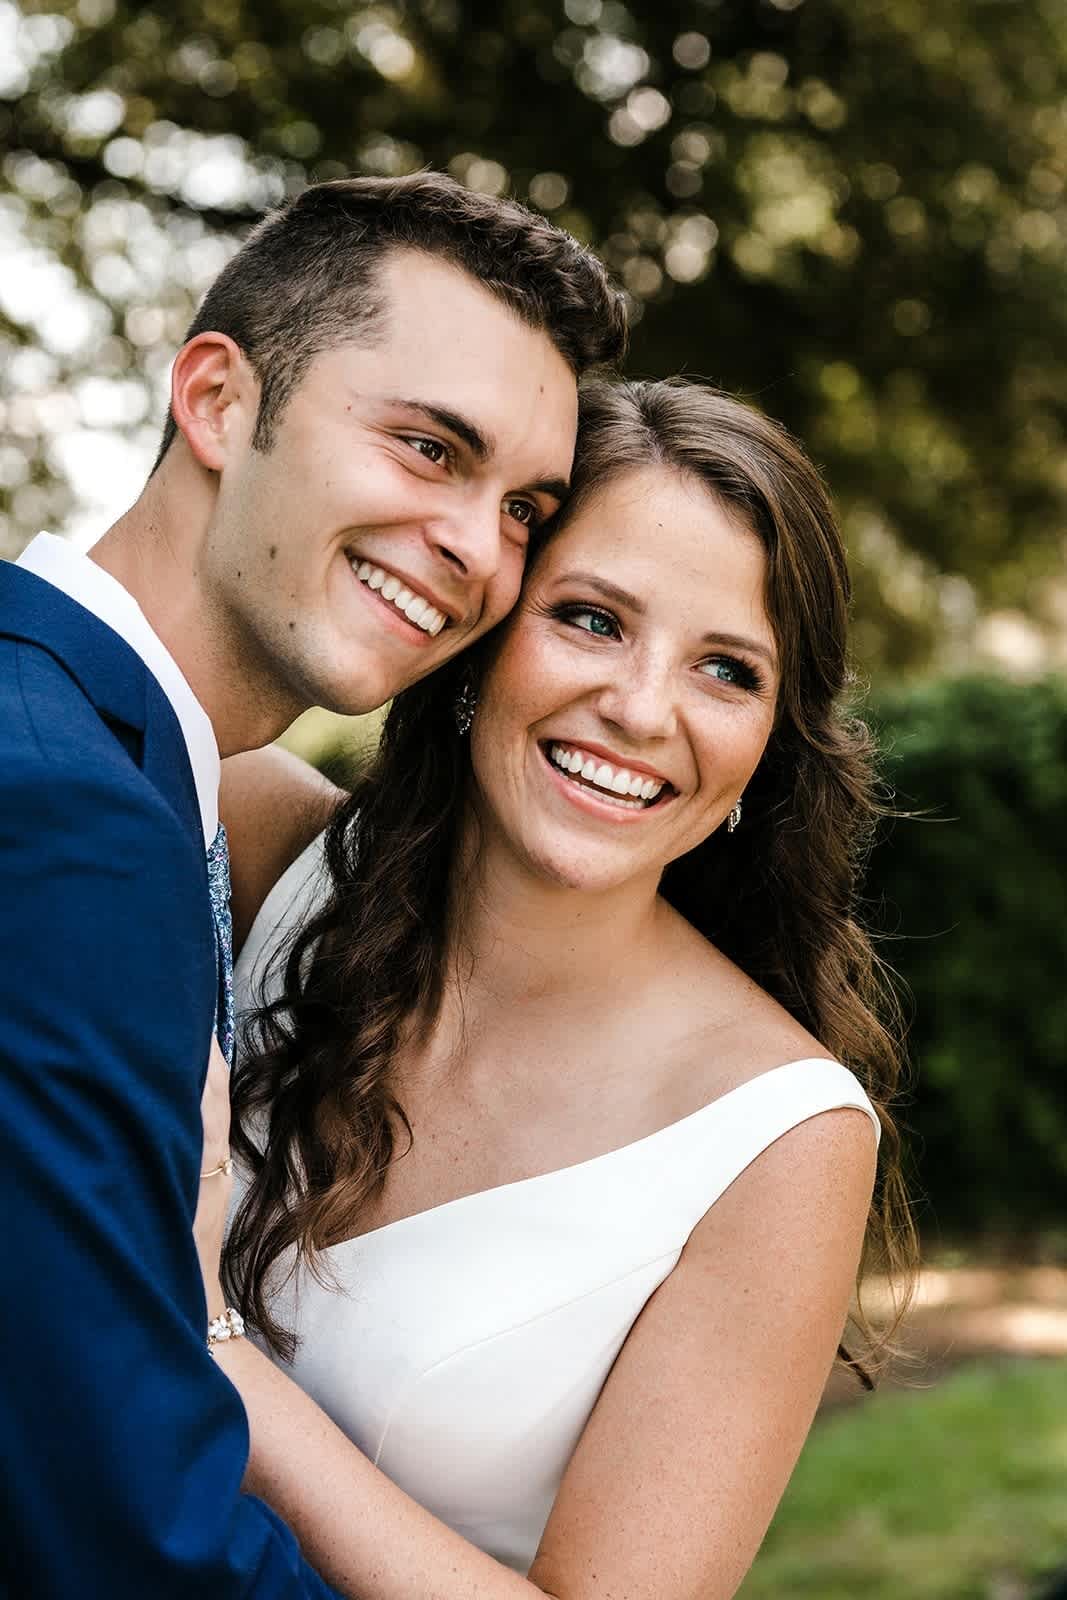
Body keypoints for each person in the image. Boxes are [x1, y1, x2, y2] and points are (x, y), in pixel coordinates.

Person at [0, 172, 625, 1598]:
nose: (477, 550)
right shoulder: (68, 822)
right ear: (219, 402)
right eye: (427, 447)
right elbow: (119, 1538)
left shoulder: (102, 758)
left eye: (523, 508)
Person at [195, 377, 915, 1600]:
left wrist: (218, 1357)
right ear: (479, 637)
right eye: (590, 619)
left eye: (726, 669)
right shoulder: (254, 840)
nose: (639, 708)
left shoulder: (780, 1138)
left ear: (767, 745)